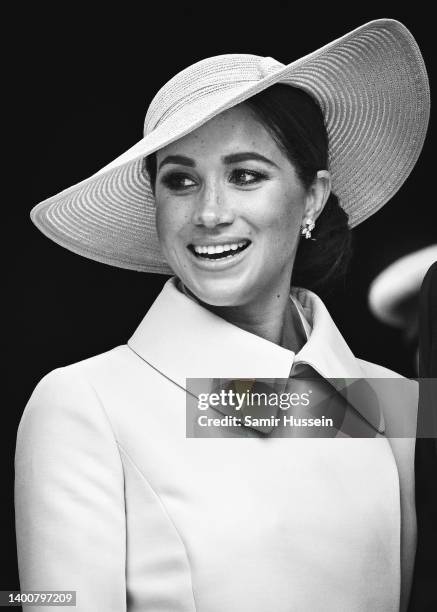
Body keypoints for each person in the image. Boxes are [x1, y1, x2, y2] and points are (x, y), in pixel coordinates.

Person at [15, 19, 430, 612]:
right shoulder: (84, 402)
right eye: (181, 180)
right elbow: (46, 602)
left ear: (312, 197)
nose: (210, 212)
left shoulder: (396, 401)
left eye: (245, 176)